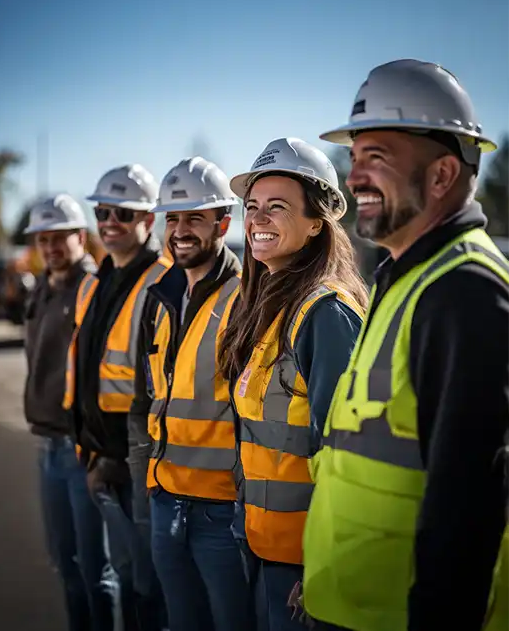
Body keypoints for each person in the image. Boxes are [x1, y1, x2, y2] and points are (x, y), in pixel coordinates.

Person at [300, 59, 509, 631]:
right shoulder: (404, 278)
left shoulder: (463, 292)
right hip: (351, 603)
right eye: (355, 156)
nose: (354, 176)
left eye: (377, 158)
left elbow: (469, 508)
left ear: (442, 176)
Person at [216, 138, 367, 631]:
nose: (257, 219)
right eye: (252, 207)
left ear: (317, 224)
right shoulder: (270, 307)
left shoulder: (326, 314)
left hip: (304, 566)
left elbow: (344, 454)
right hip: (261, 546)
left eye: (276, 208)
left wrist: (325, 562)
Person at [140, 156, 252, 631]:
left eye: (195, 219)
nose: (181, 230)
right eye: (173, 219)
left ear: (223, 223)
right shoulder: (164, 297)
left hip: (220, 513)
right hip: (165, 499)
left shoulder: (246, 298)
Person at [63, 164, 171, 631]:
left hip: (135, 463)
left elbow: (159, 389)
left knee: (145, 587)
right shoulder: (99, 278)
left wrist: (117, 456)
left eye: (122, 214)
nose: (108, 222)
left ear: (148, 219)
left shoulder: (162, 281)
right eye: (103, 211)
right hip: (99, 454)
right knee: (124, 578)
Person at [22, 194, 115, 631]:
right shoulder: (42, 287)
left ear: (82, 237)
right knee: (65, 562)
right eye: (44, 239)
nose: (52, 247)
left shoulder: (91, 287)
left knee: (97, 571)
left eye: (61, 238)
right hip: (47, 445)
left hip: (81, 448)